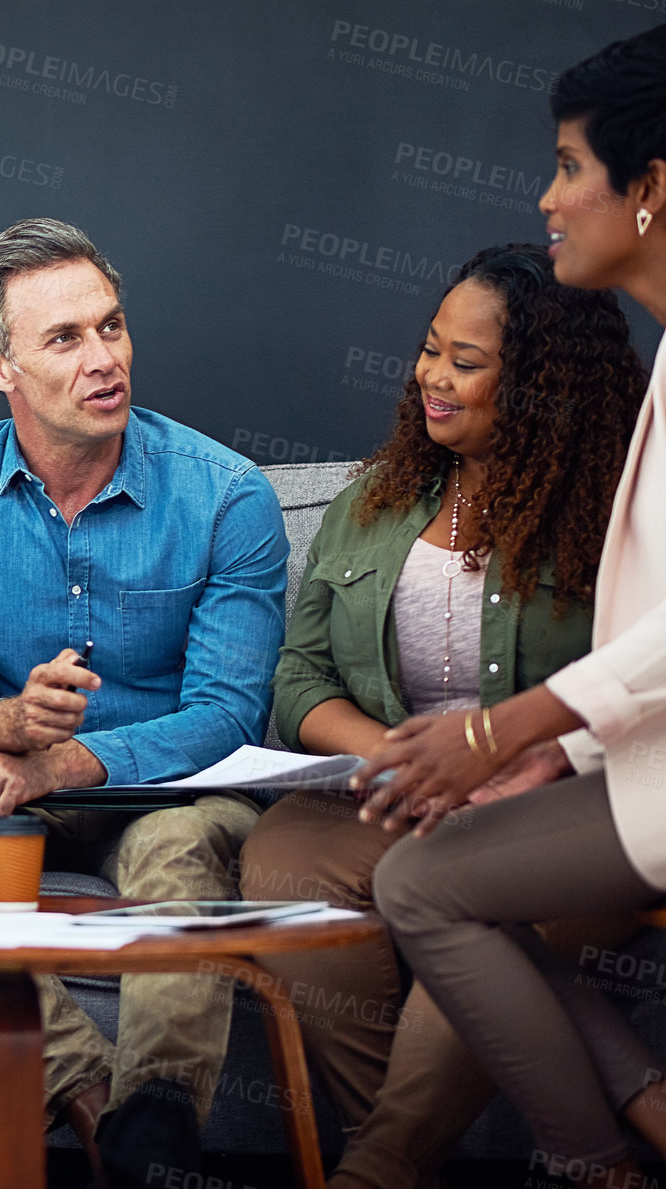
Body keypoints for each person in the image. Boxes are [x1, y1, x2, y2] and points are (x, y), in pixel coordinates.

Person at [0, 217, 290, 1187]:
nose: (104, 358)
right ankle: (99, 1116)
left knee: (180, 844)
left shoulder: (225, 496)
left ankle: (160, 1120)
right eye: (66, 338)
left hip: (166, 792)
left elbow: (226, 717)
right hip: (6, 796)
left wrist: (63, 762)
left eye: (112, 327)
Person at [237, 243, 646, 1189]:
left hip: (565, 806)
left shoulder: (616, 518)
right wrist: (407, 759)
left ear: (543, 385)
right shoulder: (375, 502)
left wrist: (506, 766)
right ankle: (406, 1155)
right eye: (429, 350)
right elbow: (298, 681)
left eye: (466, 362)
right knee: (284, 864)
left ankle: (380, 1167)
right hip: (396, 799)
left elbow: (632, 690)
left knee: (472, 893)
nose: (433, 377)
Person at [359, 25, 666, 1189]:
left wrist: (507, 731)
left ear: (650, 192)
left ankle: (597, 1164)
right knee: (441, 863)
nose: (548, 196)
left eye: (571, 168)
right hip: (635, 767)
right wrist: (562, 750)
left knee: (424, 882)